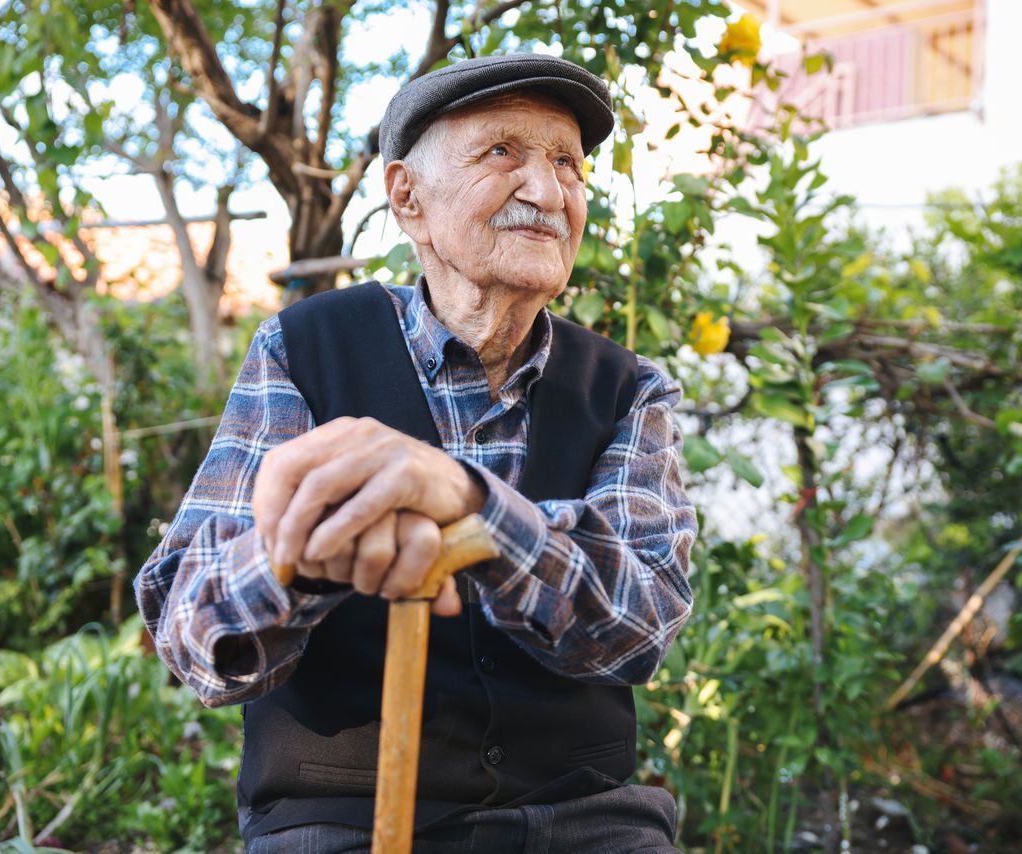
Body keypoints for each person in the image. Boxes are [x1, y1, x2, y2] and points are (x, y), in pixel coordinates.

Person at [136, 53, 696, 853]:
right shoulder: (304, 348)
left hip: (579, 820)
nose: (547, 192)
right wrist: (307, 551)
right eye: (503, 153)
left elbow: (642, 622)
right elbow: (193, 634)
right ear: (407, 198)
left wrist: (468, 506)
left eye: (568, 162)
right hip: (341, 821)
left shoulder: (628, 388)